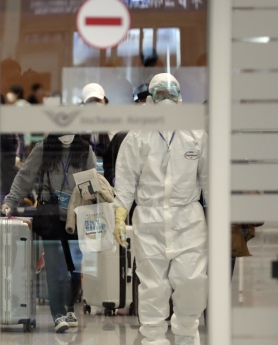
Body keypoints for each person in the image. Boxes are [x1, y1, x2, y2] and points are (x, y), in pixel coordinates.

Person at [113, 73, 208, 345]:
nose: (166, 100)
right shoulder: (137, 136)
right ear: (150, 100)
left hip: (188, 218)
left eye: (171, 94)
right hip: (149, 219)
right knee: (153, 285)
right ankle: (153, 338)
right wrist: (121, 213)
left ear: (180, 98)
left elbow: (209, 178)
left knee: (192, 280)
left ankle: (187, 332)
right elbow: (126, 179)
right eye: (160, 95)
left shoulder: (196, 135)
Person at [1, 134, 96, 333]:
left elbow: (93, 181)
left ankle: (69, 307)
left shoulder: (85, 150)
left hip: (77, 216)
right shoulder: (44, 148)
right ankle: (57, 314)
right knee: (55, 269)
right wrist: (11, 201)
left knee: (75, 269)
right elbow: (25, 176)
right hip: (51, 214)